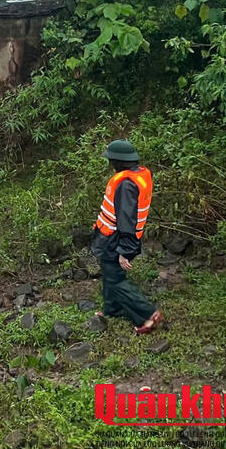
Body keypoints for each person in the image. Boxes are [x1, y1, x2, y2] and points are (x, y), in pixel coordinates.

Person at [91, 140, 163, 334]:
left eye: (111, 160)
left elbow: (126, 219)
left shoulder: (126, 184)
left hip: (116, 238)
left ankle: (149, 315)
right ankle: (112, 309)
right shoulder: (139, 175)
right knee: (109, 271)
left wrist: (124, 251)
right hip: (114, 236)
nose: (110, 164)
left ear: (119, 161)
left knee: (115, 279)